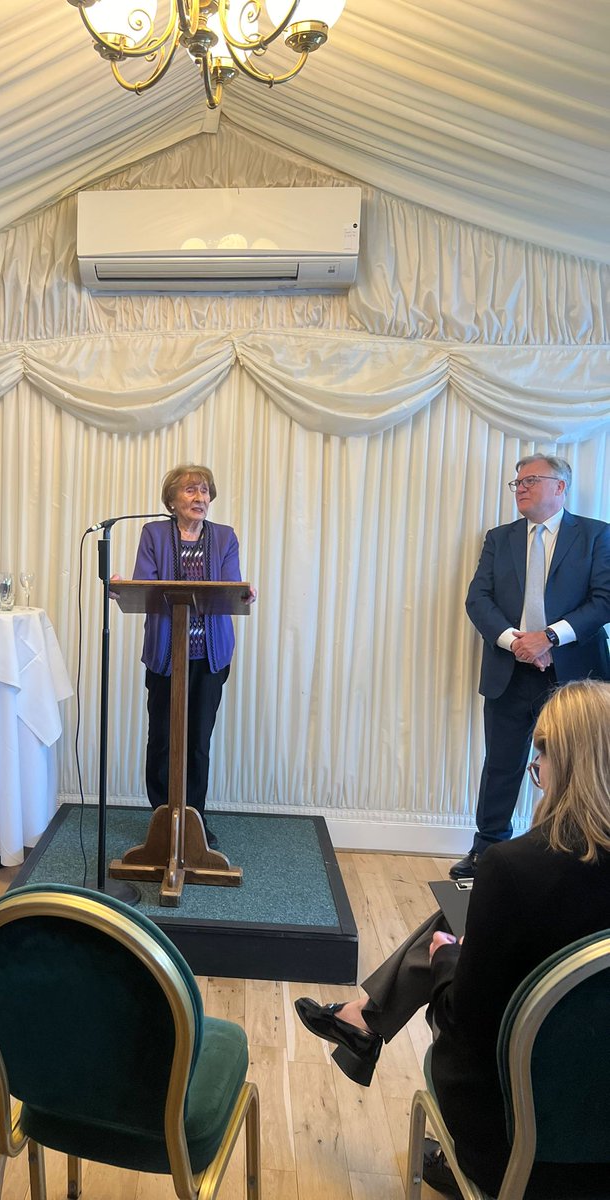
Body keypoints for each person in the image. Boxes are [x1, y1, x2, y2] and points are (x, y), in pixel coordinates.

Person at [295, 680, 610, 1197]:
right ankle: (364, 1019)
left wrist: (447, 962)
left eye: (539, 759)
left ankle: (366, 1021)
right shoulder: (511, 871)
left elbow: (464, 1024)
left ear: (566, 764)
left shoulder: (511, 869)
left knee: (454, 923)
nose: (536, 774)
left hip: (514, 1140)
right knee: (459, 907)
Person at [452, 453, 610, 879]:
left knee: (578, 764)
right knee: (502, 763)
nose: (520, 488)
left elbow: (604, 600)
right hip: (510, 671)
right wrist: (517, 643)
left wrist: (550, 638)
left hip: (574, 676)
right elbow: (477, 600)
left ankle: (577, 850)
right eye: (517, 483)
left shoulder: (597, 535)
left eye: (530, 480)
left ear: (560, 487)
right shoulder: (499, 539)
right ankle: (486, 852)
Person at [131, 464, 254, 849]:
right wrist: (124, 588)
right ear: (171, 500)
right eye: (190, 490)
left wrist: (243, 593)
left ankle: (195, 821)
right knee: (163, 740)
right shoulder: (153, 533)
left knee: (198, 740)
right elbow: (145, 584)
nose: (200, 497)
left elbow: (229, 586)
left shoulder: (224, 538)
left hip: (209, 656)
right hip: (167, 656)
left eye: (204, 491)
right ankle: (163, 819)